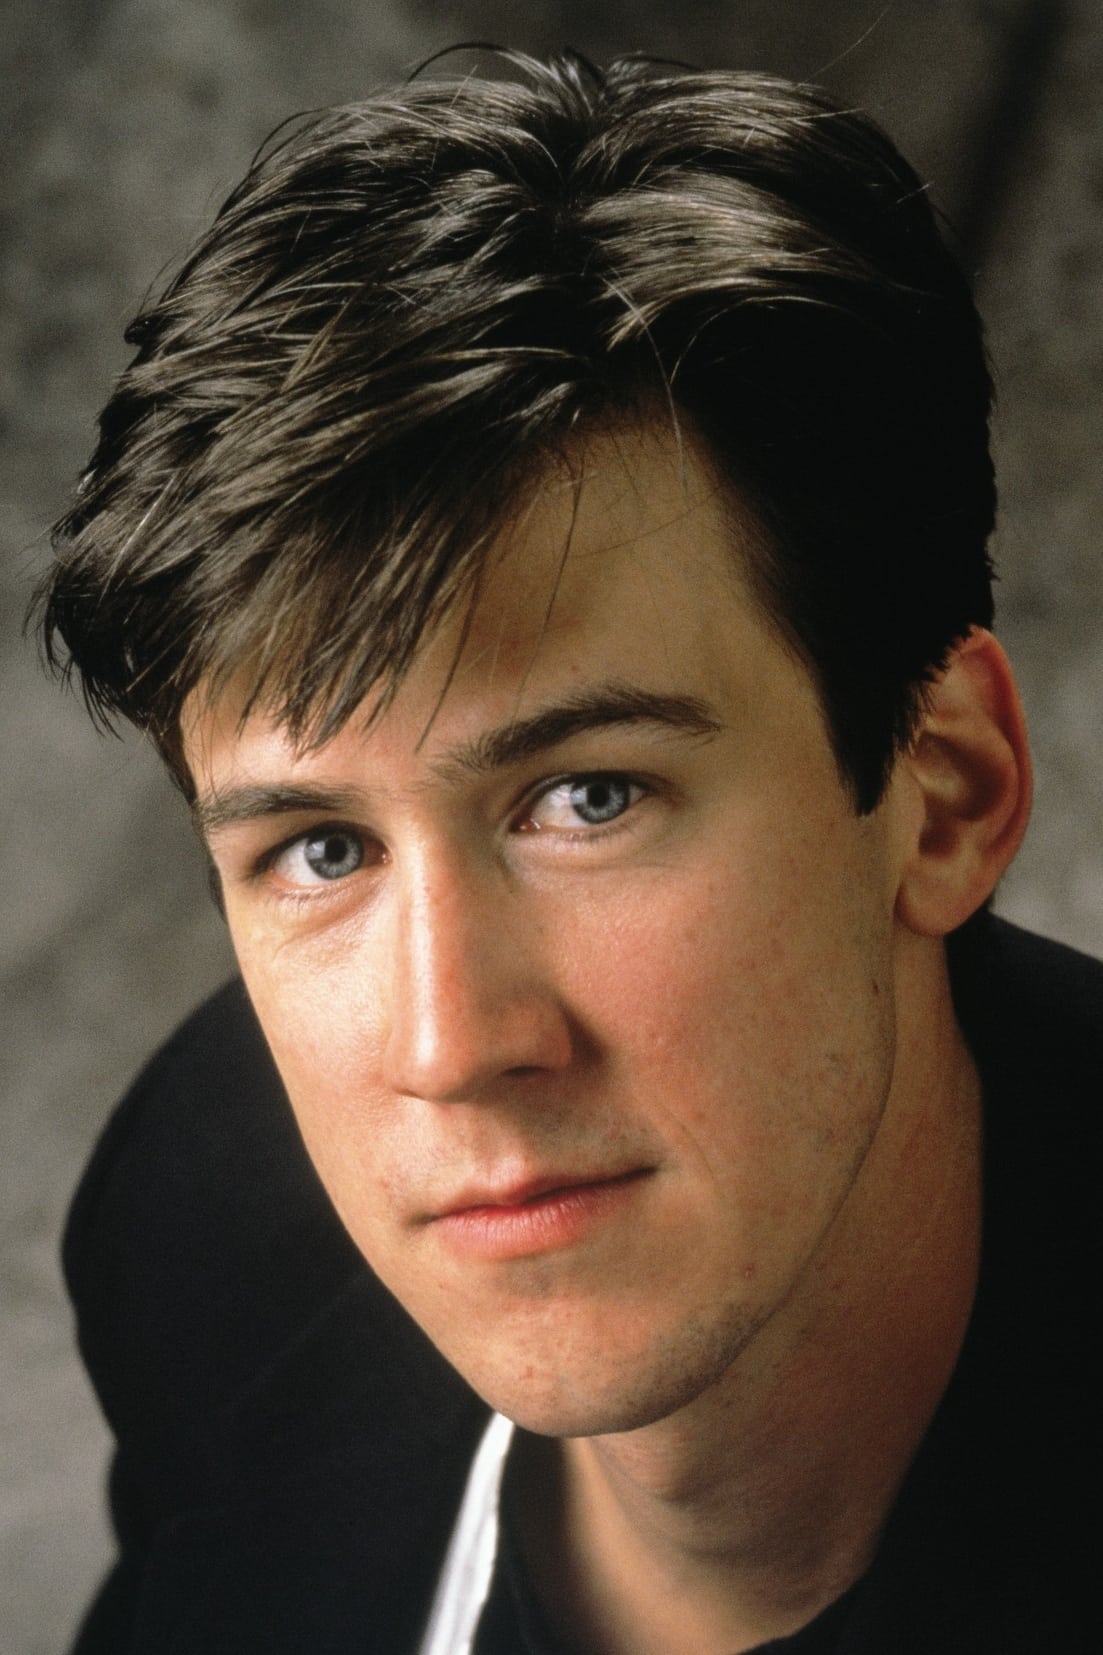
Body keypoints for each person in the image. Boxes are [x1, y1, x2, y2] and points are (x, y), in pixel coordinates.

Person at [39, 49, 1099, 1655]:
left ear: (943, 791)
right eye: (321, 849)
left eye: (588, 799)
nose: (450, 1046)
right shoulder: (206, 1229)